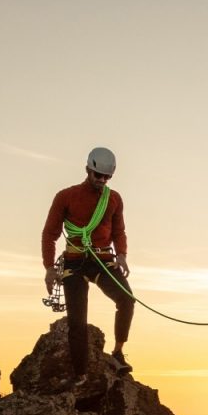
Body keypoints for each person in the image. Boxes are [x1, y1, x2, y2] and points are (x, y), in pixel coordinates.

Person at [41, 146, 134, 388]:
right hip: (74, 261)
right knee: (77, 320)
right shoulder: (66, 197)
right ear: (87, 170)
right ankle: (80, 374)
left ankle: (117, 352)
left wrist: (122, 255)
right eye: (98, 176)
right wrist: (50, 268)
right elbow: (49, 234)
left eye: (107, 177)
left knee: (127, 299)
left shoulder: (113, 199)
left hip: (102, 259)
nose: (102, 181)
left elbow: (119, 231)